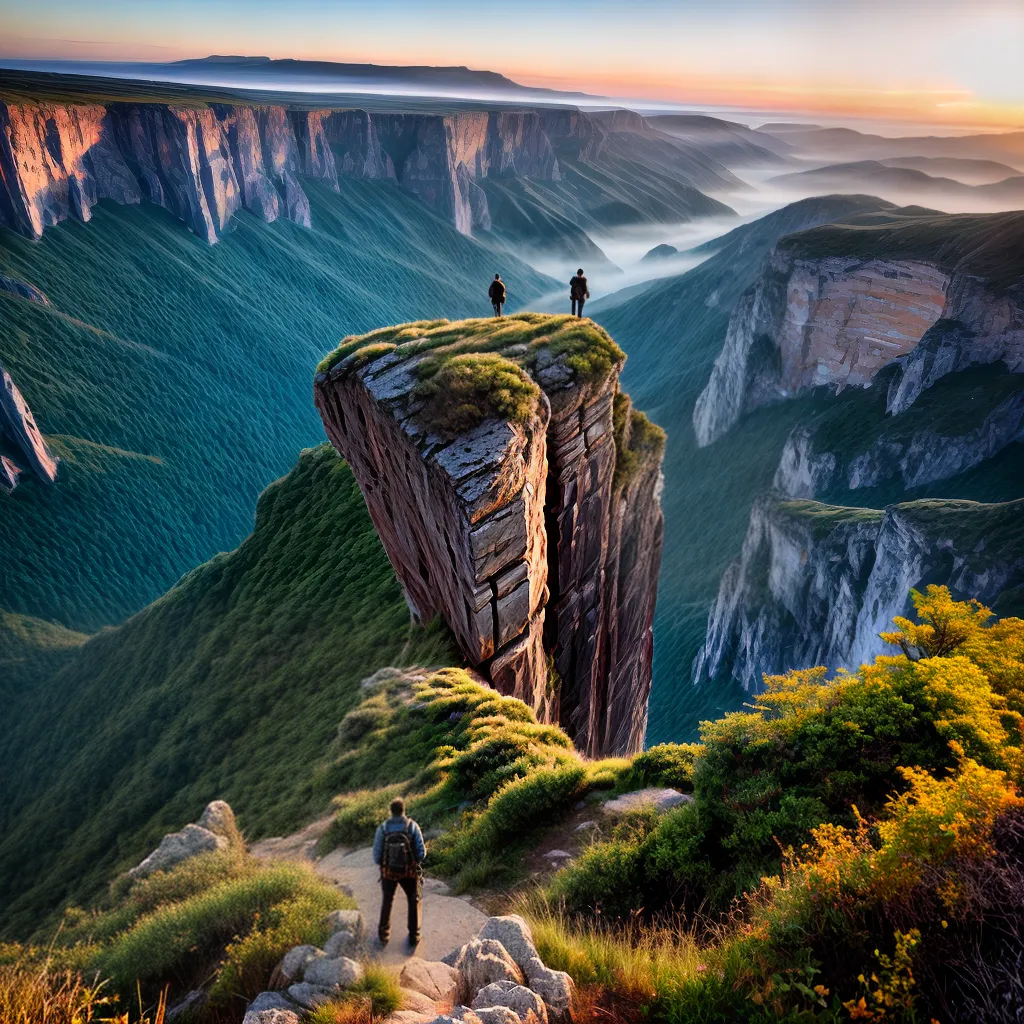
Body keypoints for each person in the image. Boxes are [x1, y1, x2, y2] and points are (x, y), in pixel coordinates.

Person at [373, 797, 426, 946]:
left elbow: (377, 856)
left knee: (387, 900)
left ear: (391, 811)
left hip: (388, 872)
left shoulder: (383, 829)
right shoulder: (412, 826)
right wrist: (412, 862)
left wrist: (385, 865)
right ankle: (414, 935)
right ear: (403, 810)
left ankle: (383, 935)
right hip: (409, 872)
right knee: (413, 899)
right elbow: (421, 853)